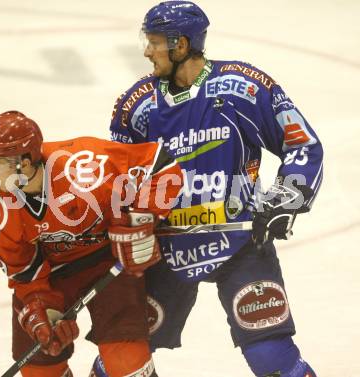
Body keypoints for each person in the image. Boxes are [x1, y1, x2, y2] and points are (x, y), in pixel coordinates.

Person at [93, 1, 324, 376]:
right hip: (165, 250)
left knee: (271, 355)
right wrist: (125, 221)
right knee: (121, 355)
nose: (147, 51)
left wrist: (283, 198)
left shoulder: (242, 88)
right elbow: (122, 180)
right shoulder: (137, 108)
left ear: (180, 45)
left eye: (154, 42)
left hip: (241, 243)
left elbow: (301, 144)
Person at [0, 110, 183, 377]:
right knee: (40, 370)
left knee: (127, 361)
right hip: (51, 273)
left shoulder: (86, 167)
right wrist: (42, 313)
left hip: (108, 261)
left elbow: (161, 167)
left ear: (24, 162)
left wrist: (142, 219)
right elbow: (25, 273)